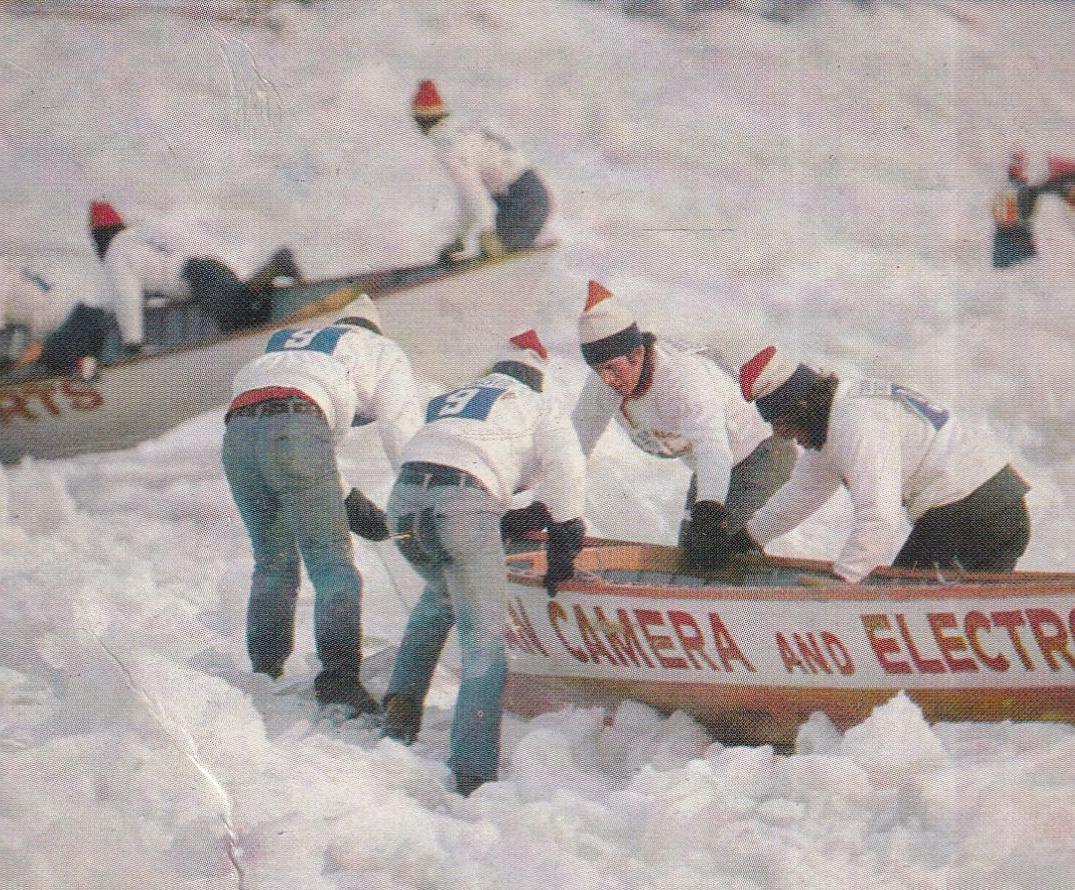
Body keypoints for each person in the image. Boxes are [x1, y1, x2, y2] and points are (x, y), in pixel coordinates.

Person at [382, 330, 586, 796]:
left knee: (441, 597)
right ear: (539, 378)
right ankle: (472, 772)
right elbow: (568, 466)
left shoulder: (452, 399)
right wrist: (566, 531)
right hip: (463, 504)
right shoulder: (534, 402)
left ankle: (398, 717)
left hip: (404, 504)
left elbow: (441, 455)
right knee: (483, 639)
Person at [222, 293, 423, 716]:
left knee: (273, 562)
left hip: (238, 434)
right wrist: (422, 501)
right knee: (334, 567)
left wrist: (349, 501)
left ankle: (264, 675)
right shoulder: (380, 350)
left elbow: (292, 429)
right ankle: (339, 683)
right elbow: (400, 433)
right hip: (298, 426)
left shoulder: (288, 343)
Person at [737, 345, 1031, 582]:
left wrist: (841, 586)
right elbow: (803, 493)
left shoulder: (855, 422)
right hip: (1002, 504)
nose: (783, 436)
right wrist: (747, 538)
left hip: (970, 515)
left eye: (784, 425)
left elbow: (880, 519)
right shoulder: (837, 410)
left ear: (802, 407)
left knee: (902, 617)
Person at [570, 280, 795, 571]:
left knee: (714, 558)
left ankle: (758, 607)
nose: (607, 381)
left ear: (637, 354)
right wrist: (547, 507)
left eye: (613, 369)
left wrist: (710, 510)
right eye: (598, 370)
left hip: (761, 453)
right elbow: (574, 445)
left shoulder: (680, 380)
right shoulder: (605, 380)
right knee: (691, 558)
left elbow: (713, 448)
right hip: (714, 467)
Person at [88, 199, 302, 348]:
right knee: (245, 309)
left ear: (99, 236)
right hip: (208, 269)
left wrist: (132, 342)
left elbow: (127, 297)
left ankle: (275, 265)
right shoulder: (137, 236)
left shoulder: (115, 253)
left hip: (200, 280)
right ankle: (268, 278)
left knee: (239, 323)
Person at [411, 79, 552, 264]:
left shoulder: (448, 146)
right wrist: (460, 238)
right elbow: (468, 195)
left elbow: (473, 193)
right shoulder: (463, 132)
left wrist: (486, 232)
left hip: (522, 201)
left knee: (496, 264)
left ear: (419, 120)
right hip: (525, 195)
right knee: (494, 261)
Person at [0, 230, 110, 383]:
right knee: (40, 351)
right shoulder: (10, 267)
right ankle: (87, 362)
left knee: (49, 361)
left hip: (69, 329)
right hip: (88, 313)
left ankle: (86, 371)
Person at [991, 150, 1040, 269]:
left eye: (1020, 163)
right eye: (1015, 162)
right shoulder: (1008, 188)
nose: (1018, 167)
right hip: (1009, 238)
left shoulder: (1022, 188)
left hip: (1017, 237)